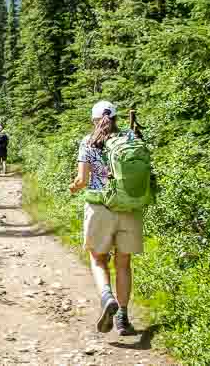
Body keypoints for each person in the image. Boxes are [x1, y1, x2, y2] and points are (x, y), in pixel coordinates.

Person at [68, 101, 141, 336]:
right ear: (116, 118)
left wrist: (72, 188)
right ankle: (122, 318)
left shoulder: (87, 142)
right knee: (123, 264)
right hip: (129, 208)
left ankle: (106, 296)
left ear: (93, 120)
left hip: (100, 208)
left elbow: (81, 180)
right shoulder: (130, 138)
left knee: (98, 259)